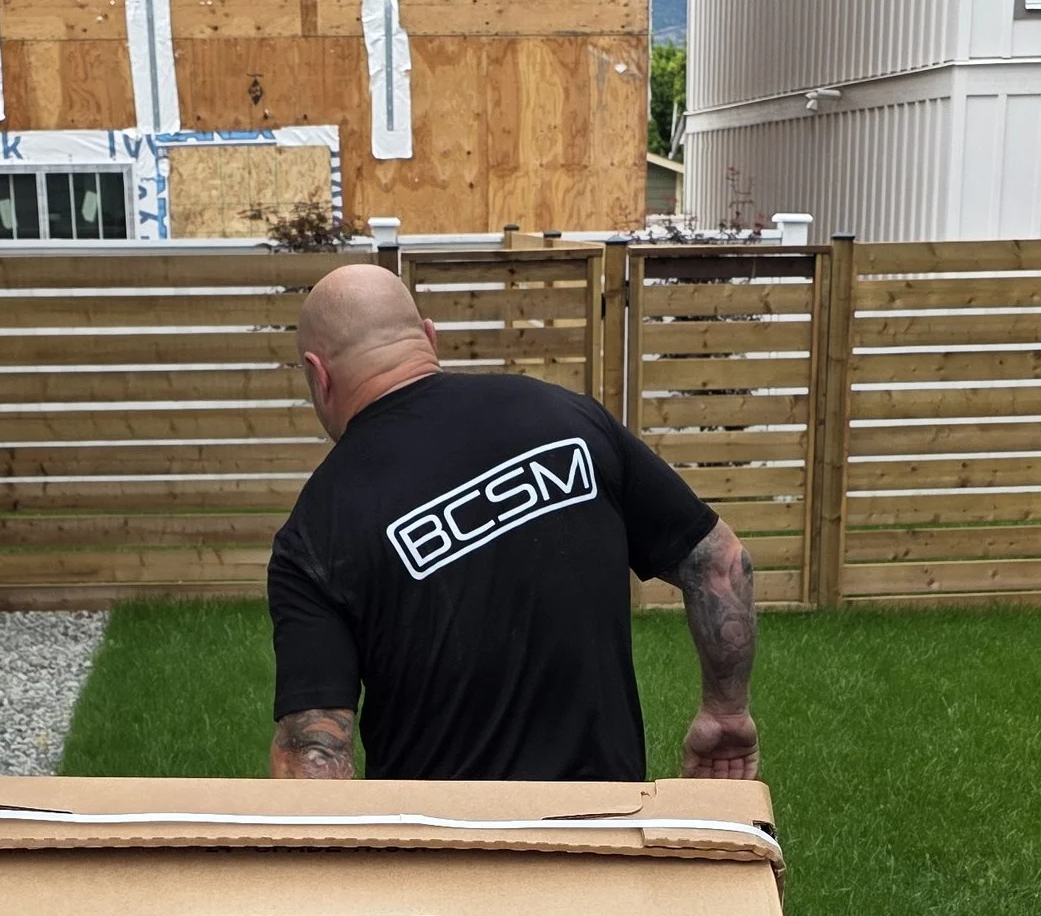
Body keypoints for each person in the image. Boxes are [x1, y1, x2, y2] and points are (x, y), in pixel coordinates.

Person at [266, 260, 758, 785]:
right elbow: (721, 563)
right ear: (429, 337)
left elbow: (313, 752)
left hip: (440, 835)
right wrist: (726, 714)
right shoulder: (567, 417)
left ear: (319, 375)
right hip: (603, 823)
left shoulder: (314, 532)